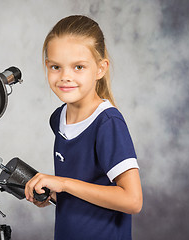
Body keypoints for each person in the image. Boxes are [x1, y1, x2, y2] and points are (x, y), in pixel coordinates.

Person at [24, 15, 143, 240]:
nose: (65, 77)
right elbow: (85, 192)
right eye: (55, 67)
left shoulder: (108, 123)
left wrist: (63, 183)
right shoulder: (58, 118)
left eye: (78, 67)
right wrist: (52, 193)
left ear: (100, 69)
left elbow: (133, 200)